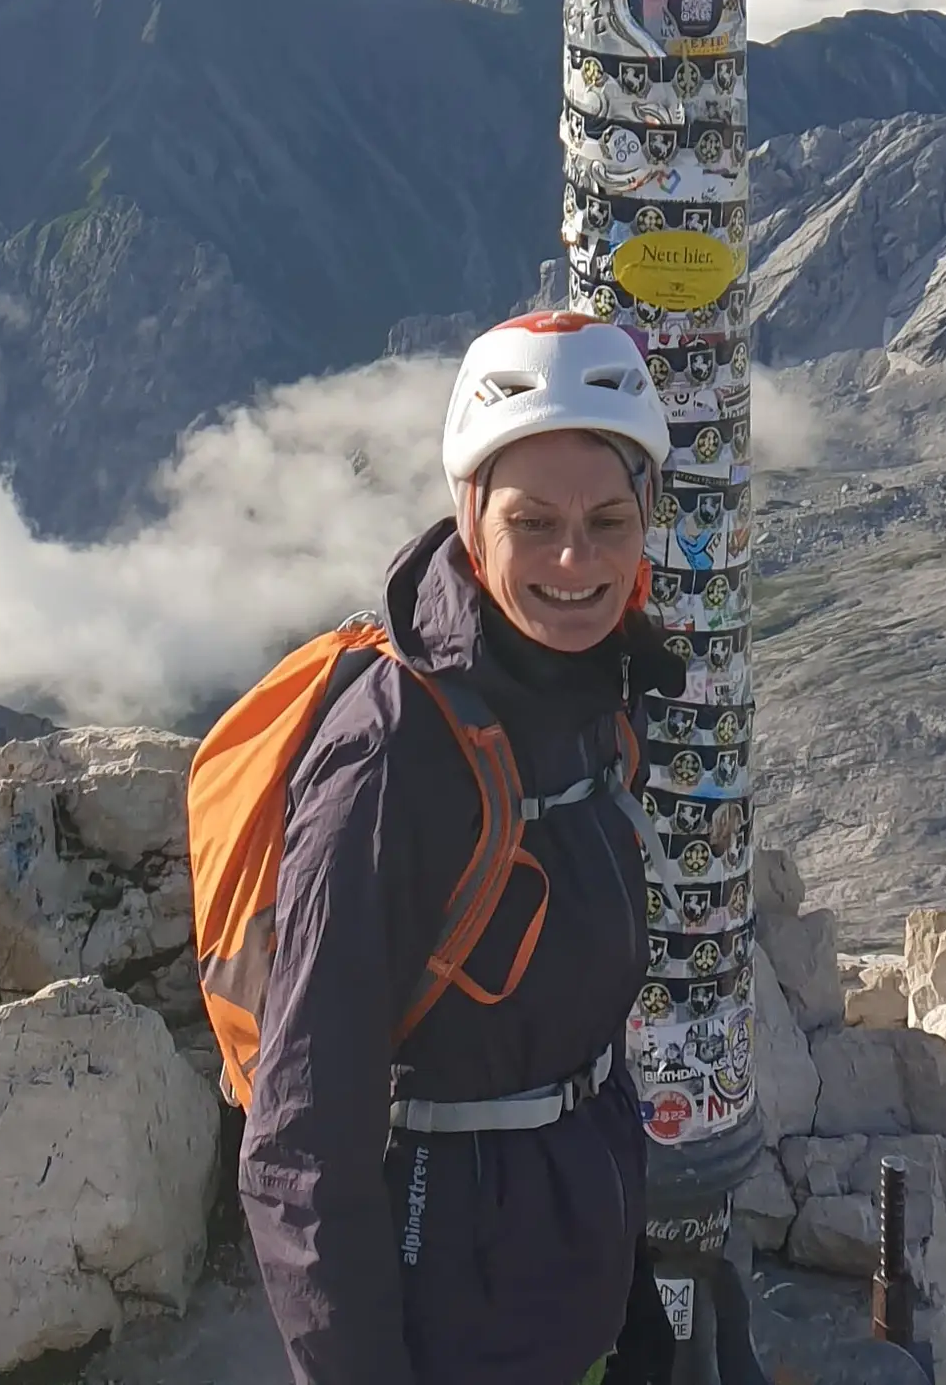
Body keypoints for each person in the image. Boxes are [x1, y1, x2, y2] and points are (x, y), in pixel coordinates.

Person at [238, 314, 681, 1385]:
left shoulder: (596, 692)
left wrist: (632, 1312)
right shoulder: (395, 757)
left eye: (607, 519)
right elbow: (301, 1146)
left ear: (646, 523)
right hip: (448, 1307)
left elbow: (571, 1051)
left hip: (566, 1276)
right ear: (470, 517)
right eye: (534, 521)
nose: (575, 559)